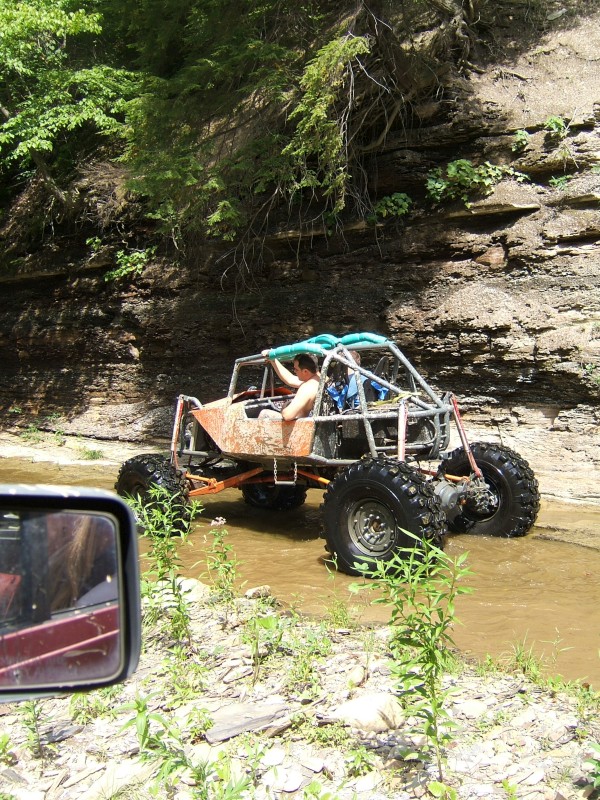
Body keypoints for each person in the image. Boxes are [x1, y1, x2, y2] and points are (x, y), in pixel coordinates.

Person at [260, 350, 320, 420]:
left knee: (264, 413)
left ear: (305, 371)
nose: (294, 371)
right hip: (317, 420)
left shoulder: (308, 387)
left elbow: (287, 415)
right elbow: (290, 379)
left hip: (306, 423)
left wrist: (284, 409)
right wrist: (273, 360)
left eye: (296, 369)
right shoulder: (320, 379)